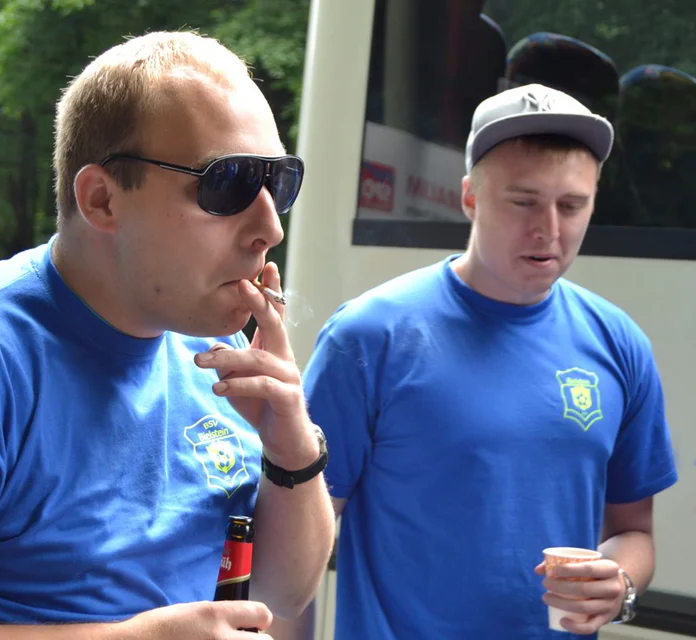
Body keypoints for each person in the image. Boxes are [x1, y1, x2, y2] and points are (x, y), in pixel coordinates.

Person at [0, 30, 335, 639]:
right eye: (227, 183)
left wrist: (292, 449)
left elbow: (280, 593)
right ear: (101, 199)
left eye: (277, 184)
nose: (269, 228)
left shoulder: (215, 359)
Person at [272, 83, 679, 639]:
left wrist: (619, 583)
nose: (550, 230)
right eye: (524, 201)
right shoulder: (370, 338)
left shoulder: (619, 343)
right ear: (469, 197)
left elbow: (634, 531)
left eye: (572, 205)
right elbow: (294, 547)